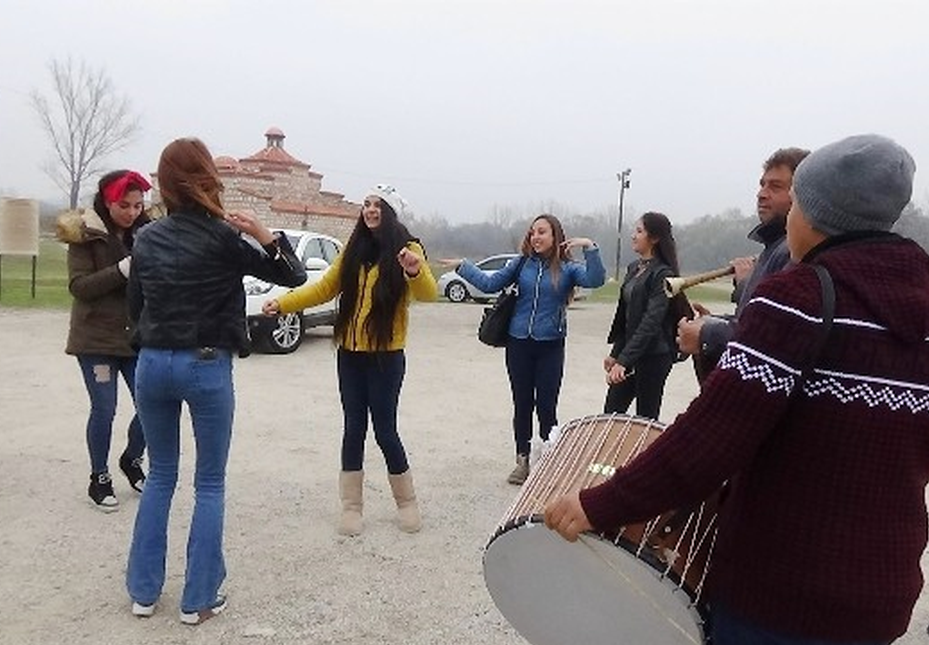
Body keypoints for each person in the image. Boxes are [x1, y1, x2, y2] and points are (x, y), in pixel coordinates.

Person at [544, 135, 929, 645]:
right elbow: (920, 454)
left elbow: (711, 439)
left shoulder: (800, 296)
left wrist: (603, 503)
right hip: (879, 596)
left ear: (811, 210)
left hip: (781, 593)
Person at [125, 138, 306, 624]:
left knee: (161, 474)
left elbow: (133, 309)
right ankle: (198, 598)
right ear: (208, 178)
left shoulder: (146, 239)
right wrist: (266, 235)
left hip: (153, 362)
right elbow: (292, 277)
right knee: (208, 482)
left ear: (164, 184)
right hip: (205, 363)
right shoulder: (225, 239)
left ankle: (143, 593)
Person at [262, 184, 437, 537]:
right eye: (367, 204)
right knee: (353, 427)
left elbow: (428, 295)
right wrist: (284, 303)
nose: (370, 210)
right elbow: (325, 288)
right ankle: (351, 507)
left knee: (385, 430)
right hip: (350, 355)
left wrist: (415, 270)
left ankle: (407, 503)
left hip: (387, 356)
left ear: (389, 213)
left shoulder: (408, 250)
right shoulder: (353, 250)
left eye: (378, 205)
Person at [452, 215, 605, 484]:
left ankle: (548, 462)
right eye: (533, 232)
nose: (536, 237)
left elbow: (596, 279)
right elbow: (490, 283)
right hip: (518, 343)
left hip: (551, 345)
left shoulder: (568, 268)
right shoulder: (521, 263)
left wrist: (589, 247)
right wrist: (463, 267)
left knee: (547, 406)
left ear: (555, 236)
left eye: (542, 232)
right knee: (522, 404)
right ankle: (522, 460)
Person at [58, 169, 153, 510]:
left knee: (150, 404)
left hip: (135, 337)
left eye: (138, 205)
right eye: (124, 205)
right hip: (95, 338)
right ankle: (99, 476)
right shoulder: (85, 235)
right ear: (107, 202)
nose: (131, 213)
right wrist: (122, 271)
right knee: (104, 408)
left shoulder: (147, 232)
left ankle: (131, 458)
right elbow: (78, 287)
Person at [677, 147, 809, 378]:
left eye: (775, 186)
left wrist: (707, 333)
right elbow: (751, 319)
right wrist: (713, 322)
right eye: (762, 184)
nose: (762, 194)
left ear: (803, 194)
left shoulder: (792, 251)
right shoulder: (776, 248)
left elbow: (769, 336)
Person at [602, 211, 682, 421]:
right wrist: (616, 353)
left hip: (655, 356)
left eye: (639, 231)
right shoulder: (633, 268)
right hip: (631, 353)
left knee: (646, 418)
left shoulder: (663, 275)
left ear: (654, 238)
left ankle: (645, 455)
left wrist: (624, 361)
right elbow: (627, 319)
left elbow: (650, 322)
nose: (633, 235)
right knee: (611, 412)